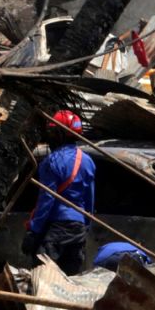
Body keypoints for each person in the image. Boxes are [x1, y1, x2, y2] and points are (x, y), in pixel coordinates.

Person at [23, 109, 95, 274]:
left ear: (60, 134)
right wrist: (85, 227)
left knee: (42, 278)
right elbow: (90, 200)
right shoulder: (88, 161)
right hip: (78, 230)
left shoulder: (52, 161)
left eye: (53, 132)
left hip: (56, 230)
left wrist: (33, 231)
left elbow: (46, 199)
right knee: (71, 281)